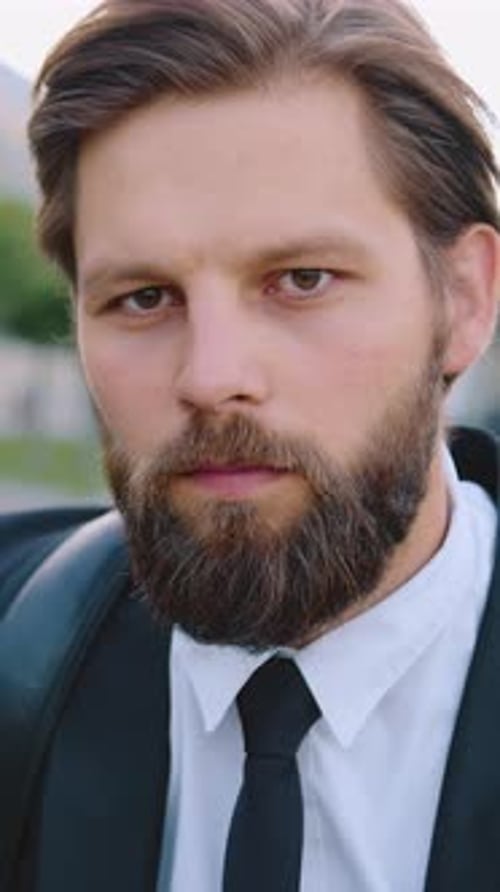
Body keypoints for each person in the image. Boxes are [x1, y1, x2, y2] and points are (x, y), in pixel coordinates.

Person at [1, 0, 499, 889]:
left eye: (301, 280)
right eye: (143, 297)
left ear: (463, 300)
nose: (210, 375)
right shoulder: (17, 650)